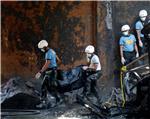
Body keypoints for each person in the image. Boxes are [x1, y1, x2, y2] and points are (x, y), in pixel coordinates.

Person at [35, 40, 61, 108]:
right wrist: (55, 66)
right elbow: (58, 60)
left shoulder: (48, 53)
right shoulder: (52, 51)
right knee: (44, 86)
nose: (41, 50)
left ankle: (58, 100)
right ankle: (44, 102)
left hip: (51, 72)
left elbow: (47, 64)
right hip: (52, 71)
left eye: (41, 49)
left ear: (44, 47)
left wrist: (40, 72)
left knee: (50, 87)